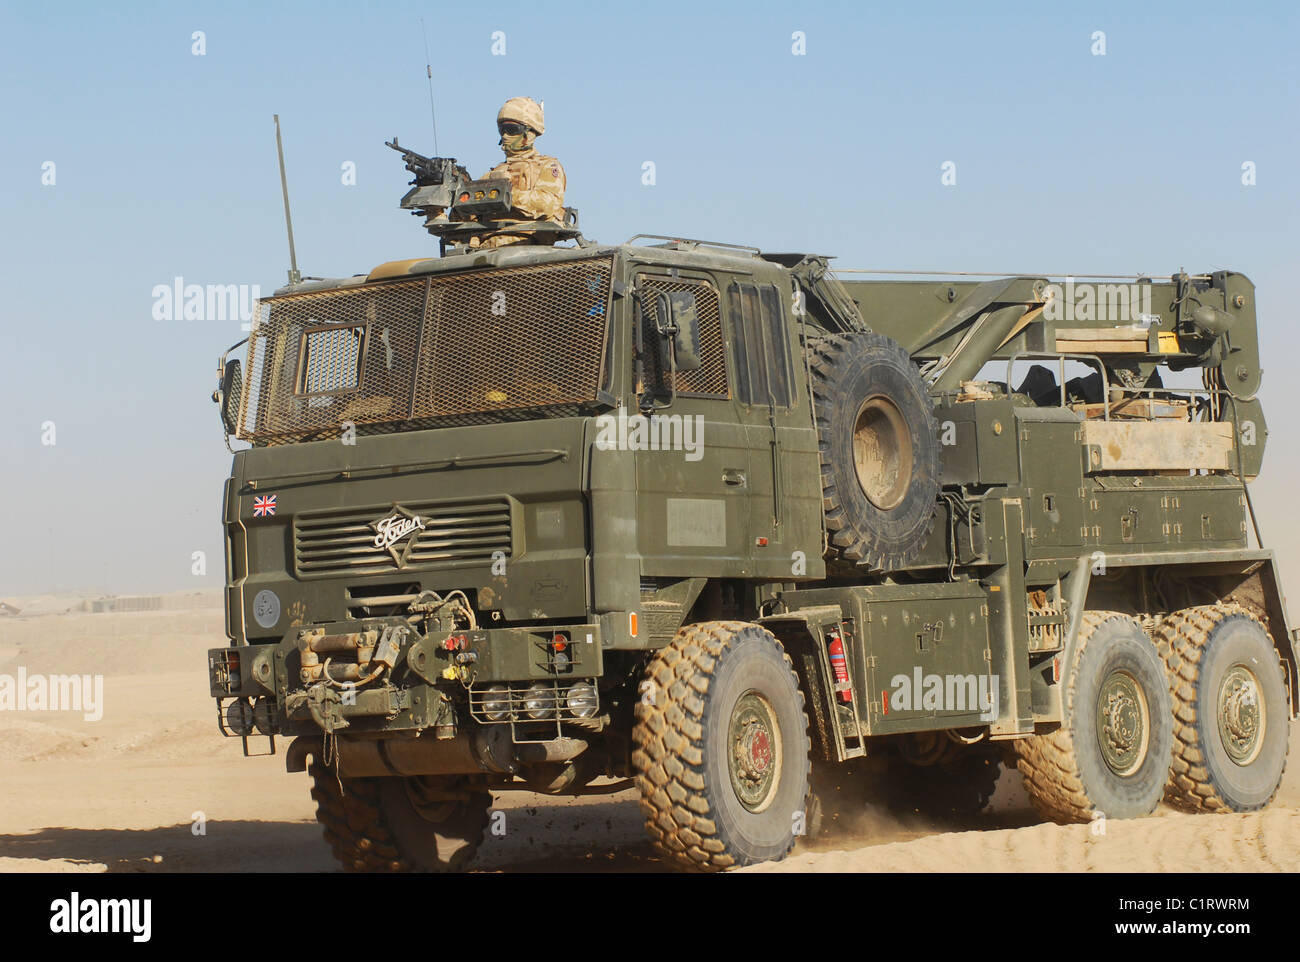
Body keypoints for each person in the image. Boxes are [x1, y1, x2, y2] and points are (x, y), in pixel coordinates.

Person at [476, 97, 566, 248]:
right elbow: (465, 220)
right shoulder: (489, 176)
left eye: (511, 130)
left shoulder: (547, 167)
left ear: (529, 133)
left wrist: (508, 193)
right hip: (486, 253)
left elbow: (547, 205)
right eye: (502, 130)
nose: (505, 136)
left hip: (527, 249)